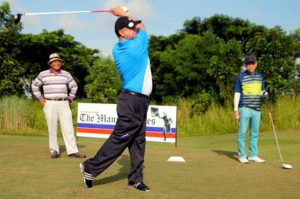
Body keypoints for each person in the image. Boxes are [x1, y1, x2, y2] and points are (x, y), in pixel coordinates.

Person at [80, 6, 152, 192]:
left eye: (133, 28)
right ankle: (90, 167)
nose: (135, 29)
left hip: (139, 101)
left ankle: (135, 179)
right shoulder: (136, 45)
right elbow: (143, 26)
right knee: (121, 139)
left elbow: (138, 27)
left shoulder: (118, 47)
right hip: (132, 101)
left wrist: (125, 17)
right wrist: (124, 14)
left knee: (138, 140)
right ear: (122, 32)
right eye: (131, 28)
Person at [31, 53, 86, 159]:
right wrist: (41, 99)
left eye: (58, 61)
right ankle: (54, 150)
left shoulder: (66, 74)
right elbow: (34, 86)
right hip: (49, 103)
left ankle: (73, 151)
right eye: (54, 61)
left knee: (68, 127)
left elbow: (74, 86)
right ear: (50, 63)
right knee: (52, 128)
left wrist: (71, 97)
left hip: (64, 103)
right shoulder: (43, 74)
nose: (57, 63)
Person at [234, 56, 267, 164]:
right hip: (244, 108)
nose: (250, 65)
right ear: (245, 65)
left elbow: (261, 91)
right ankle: (242, 155)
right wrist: (235, 109)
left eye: (252, 63)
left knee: (255, 133)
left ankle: (253, 155)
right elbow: (237, 93)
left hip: (257, 108)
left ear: (256, 64)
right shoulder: (240, 77)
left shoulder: (260, 76)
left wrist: (264, 93)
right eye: (248, 64)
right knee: (242, 132)